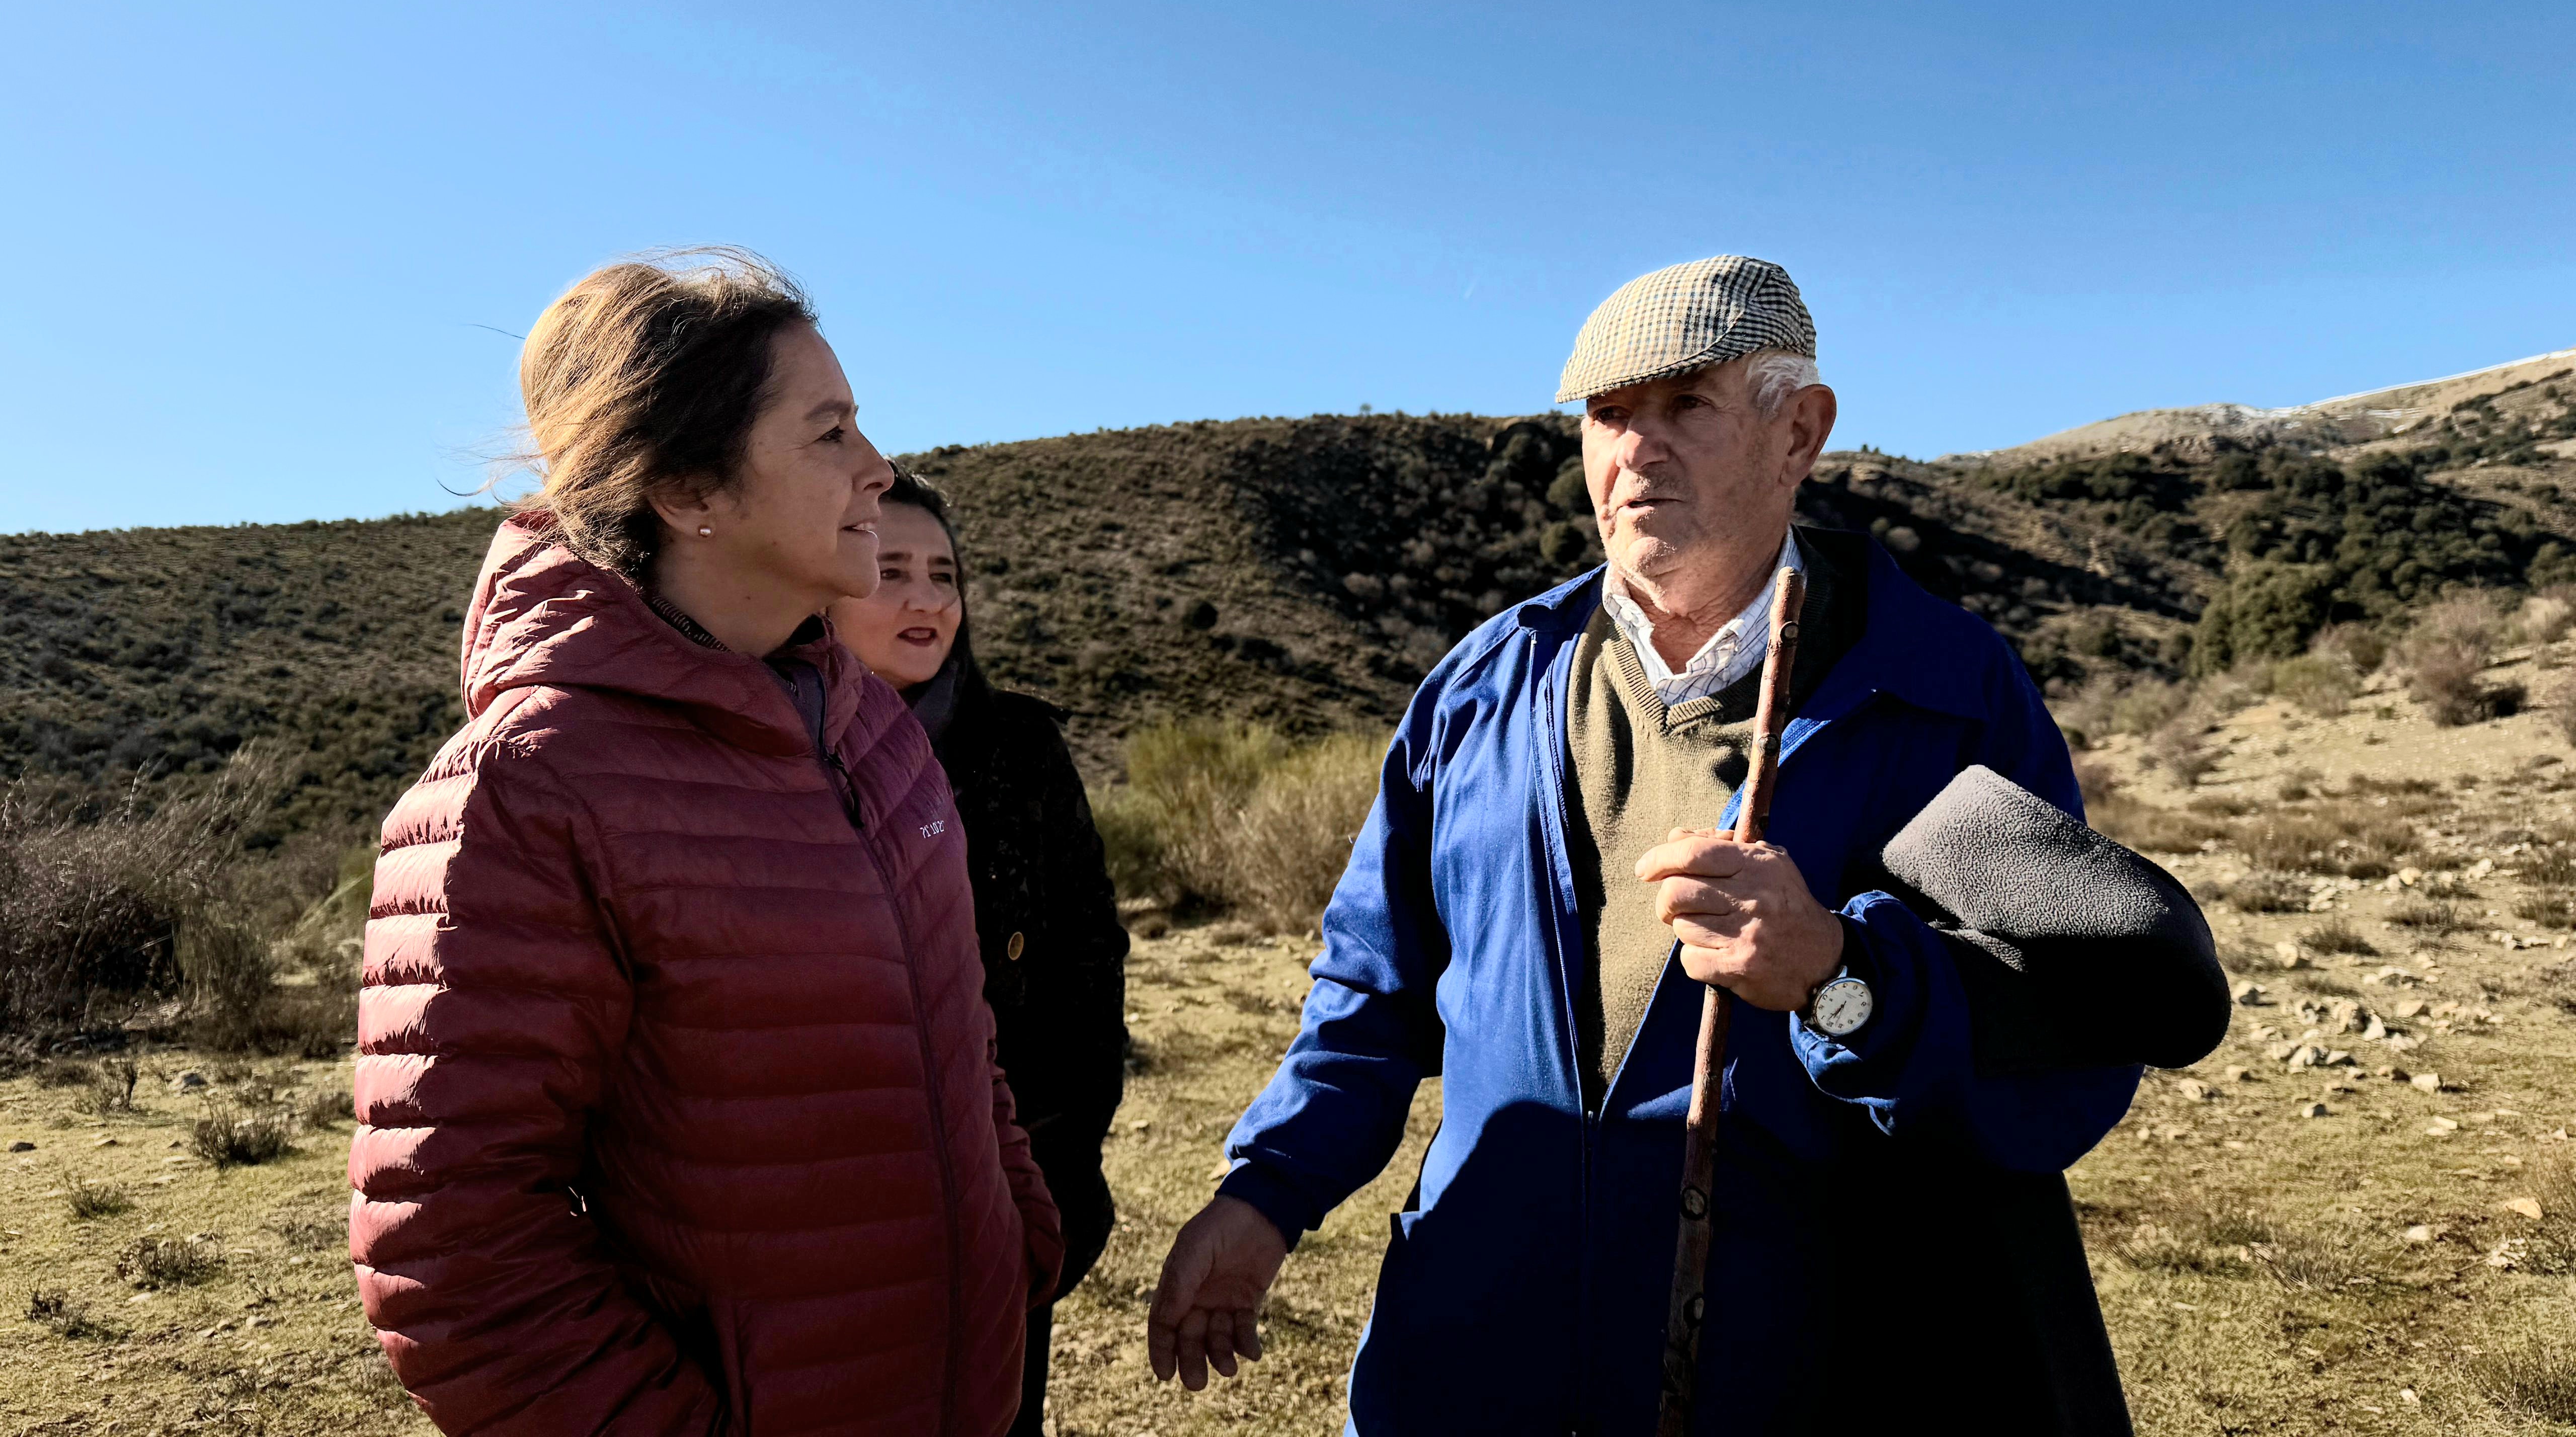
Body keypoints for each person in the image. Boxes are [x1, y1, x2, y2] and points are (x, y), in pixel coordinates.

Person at [1146, 256, 2228, 1435]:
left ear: (1799, 431)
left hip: (1803, 1371)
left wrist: (1841, 979)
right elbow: (1374, 984)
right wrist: (1267, 1191)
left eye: (1685, 407)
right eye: (1608, 416)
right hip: (1467, 1352)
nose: (1635, 450)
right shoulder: (1481, 689)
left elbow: (2070, 1038)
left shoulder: (1944, 694)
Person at [351, 249, 1061, 1437]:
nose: (877, 471)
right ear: (688, 489)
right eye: (828, 432)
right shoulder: (526, 785)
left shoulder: (872, 727)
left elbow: (952, 1021)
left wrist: (1017, 1234)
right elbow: (454, 1242)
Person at [829, 470, 1130, 1437]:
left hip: (1005, 1193)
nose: (927, 600)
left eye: (945, 574)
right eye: (890, 571)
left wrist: (1066, 1157)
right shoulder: (761, 759)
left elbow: (1091, 952)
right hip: (828, 1204)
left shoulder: (1021, 747)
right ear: (824, 580)